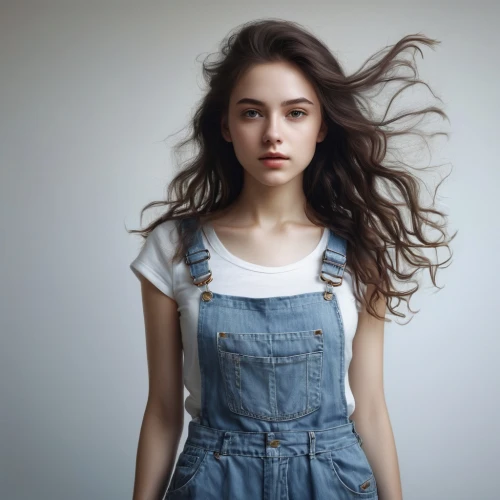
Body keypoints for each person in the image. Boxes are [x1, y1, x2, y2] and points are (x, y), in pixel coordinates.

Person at [127, 18, 455, 500]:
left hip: (333, 483)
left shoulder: (360, 251)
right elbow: (161, 410)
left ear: (322, 126)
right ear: (226, 125)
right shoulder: (172, 249)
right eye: (253, 113)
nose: (273, 134)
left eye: (296, 113)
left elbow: (370, 409)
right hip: (214, 485)